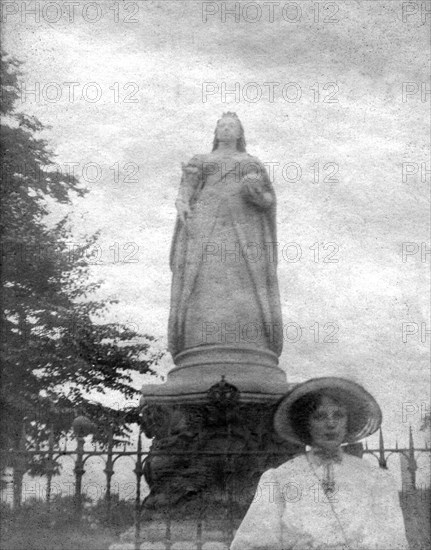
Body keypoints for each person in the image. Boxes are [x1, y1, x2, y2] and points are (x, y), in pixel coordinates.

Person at [230, 377, 409, 550]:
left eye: (338, 415)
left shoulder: (376, 480)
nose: (331, 424)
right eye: (320, 416)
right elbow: (252, 543)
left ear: (349, 421)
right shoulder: (279, 479)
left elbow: (394, 543)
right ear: (305, 423)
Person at [168, 112, 283, 358]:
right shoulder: (201, 160)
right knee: (203, 275)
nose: (226, 129)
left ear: (240, 133)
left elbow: (268, 199)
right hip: (205, 221)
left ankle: (248, 341)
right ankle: (198, 342)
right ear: (216, 132)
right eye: (221, 126)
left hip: (244, 225)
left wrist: (256, 194)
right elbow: (185, 190)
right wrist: (182, 203)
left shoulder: (251, 162)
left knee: (244, 277)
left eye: (232, 126)